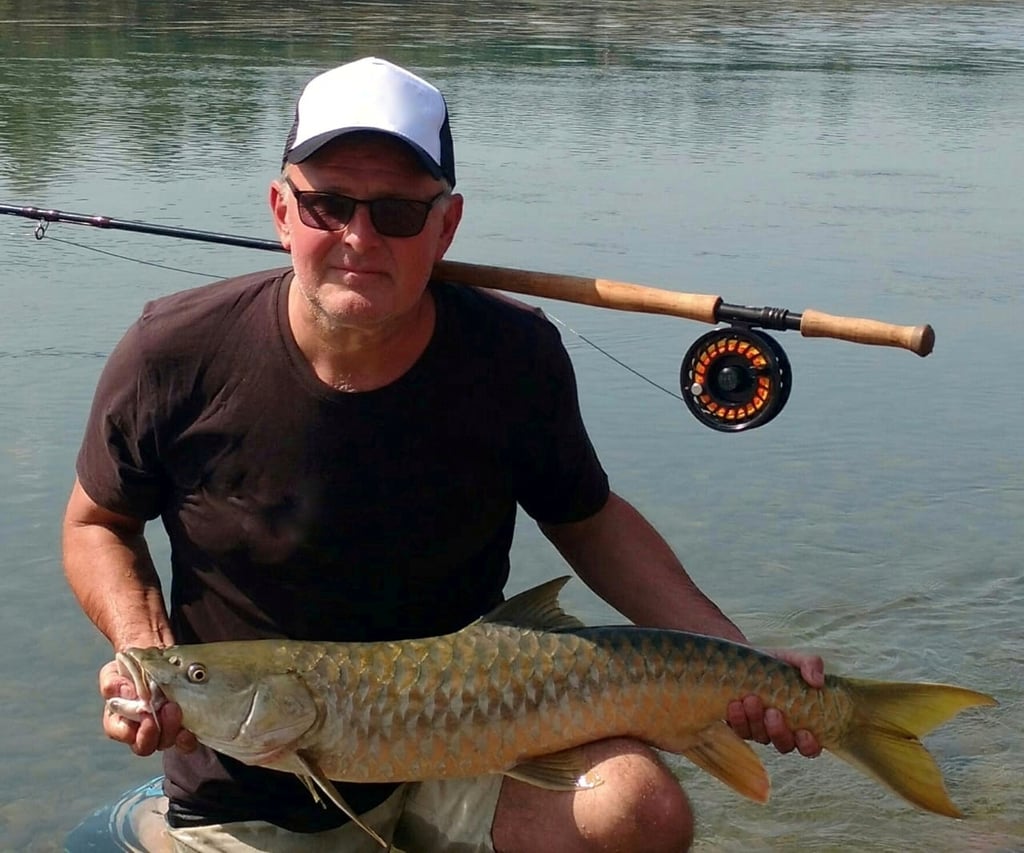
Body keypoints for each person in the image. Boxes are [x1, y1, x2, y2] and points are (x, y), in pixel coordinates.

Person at [63, 56, 824, 853]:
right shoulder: (173, 351)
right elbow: (95, 524)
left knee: (639, 808)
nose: (359, 237)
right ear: (281, 209)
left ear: (447, 225)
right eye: (328, 204)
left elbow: (590, 521)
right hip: (248, 784)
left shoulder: (513, 354)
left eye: (396, 212)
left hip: (472, 747)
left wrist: (738, 661)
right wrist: (145, 652)